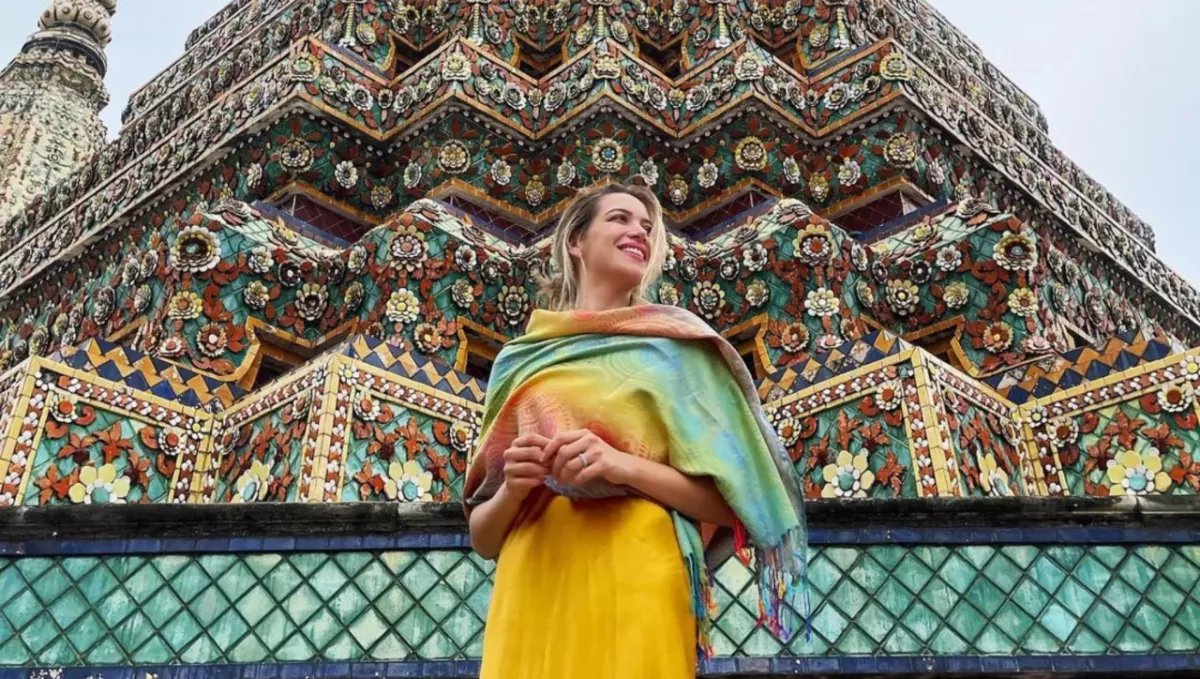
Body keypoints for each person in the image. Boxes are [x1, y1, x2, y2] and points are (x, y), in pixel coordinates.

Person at [463, 183, 808, 678]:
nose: (638, 232)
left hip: (638, 567)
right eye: (620, 219)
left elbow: (737, 504)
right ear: (576, 241)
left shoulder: (677, 350)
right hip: (533, 574)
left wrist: (621, 465)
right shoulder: (520, 361)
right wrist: (514, 489)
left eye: (647, 227)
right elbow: (483, 537)